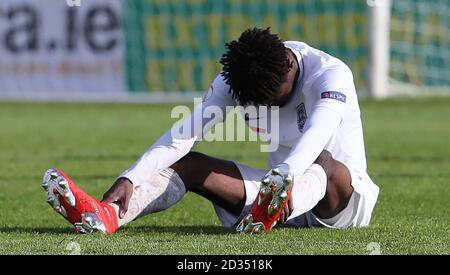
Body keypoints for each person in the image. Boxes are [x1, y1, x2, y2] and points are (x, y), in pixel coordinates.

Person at [42, 27, 379, 234]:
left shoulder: (331, 75)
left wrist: (288, 175)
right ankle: (107, 216)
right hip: (274, 199)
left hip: (340, 205)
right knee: (190, 164)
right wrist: (131, 176)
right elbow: (184, 134)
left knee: (324, 160)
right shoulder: (236, 80)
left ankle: (272, 206)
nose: (265, 107)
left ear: (290, 66)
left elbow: (319, 131)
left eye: (270, 98)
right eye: (256, 102)